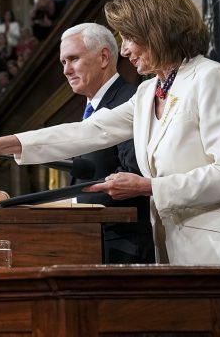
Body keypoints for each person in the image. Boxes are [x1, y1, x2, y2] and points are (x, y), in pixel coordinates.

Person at [0, 0, 220, 265]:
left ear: (157, 30)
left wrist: (149, 186)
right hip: (180, 251)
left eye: (129, 37)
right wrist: (0, 144)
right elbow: (88, 131)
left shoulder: (210, 78)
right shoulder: (149, 90)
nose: (124, 50)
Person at [58, 22, 154, 264]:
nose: (66, 70)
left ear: (103, 57)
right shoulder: (91, 108)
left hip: (125, 249)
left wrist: (70, 205)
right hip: (94, 243)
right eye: (63, 62)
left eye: (73, 59)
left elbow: (134, 172)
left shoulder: (130, 100)